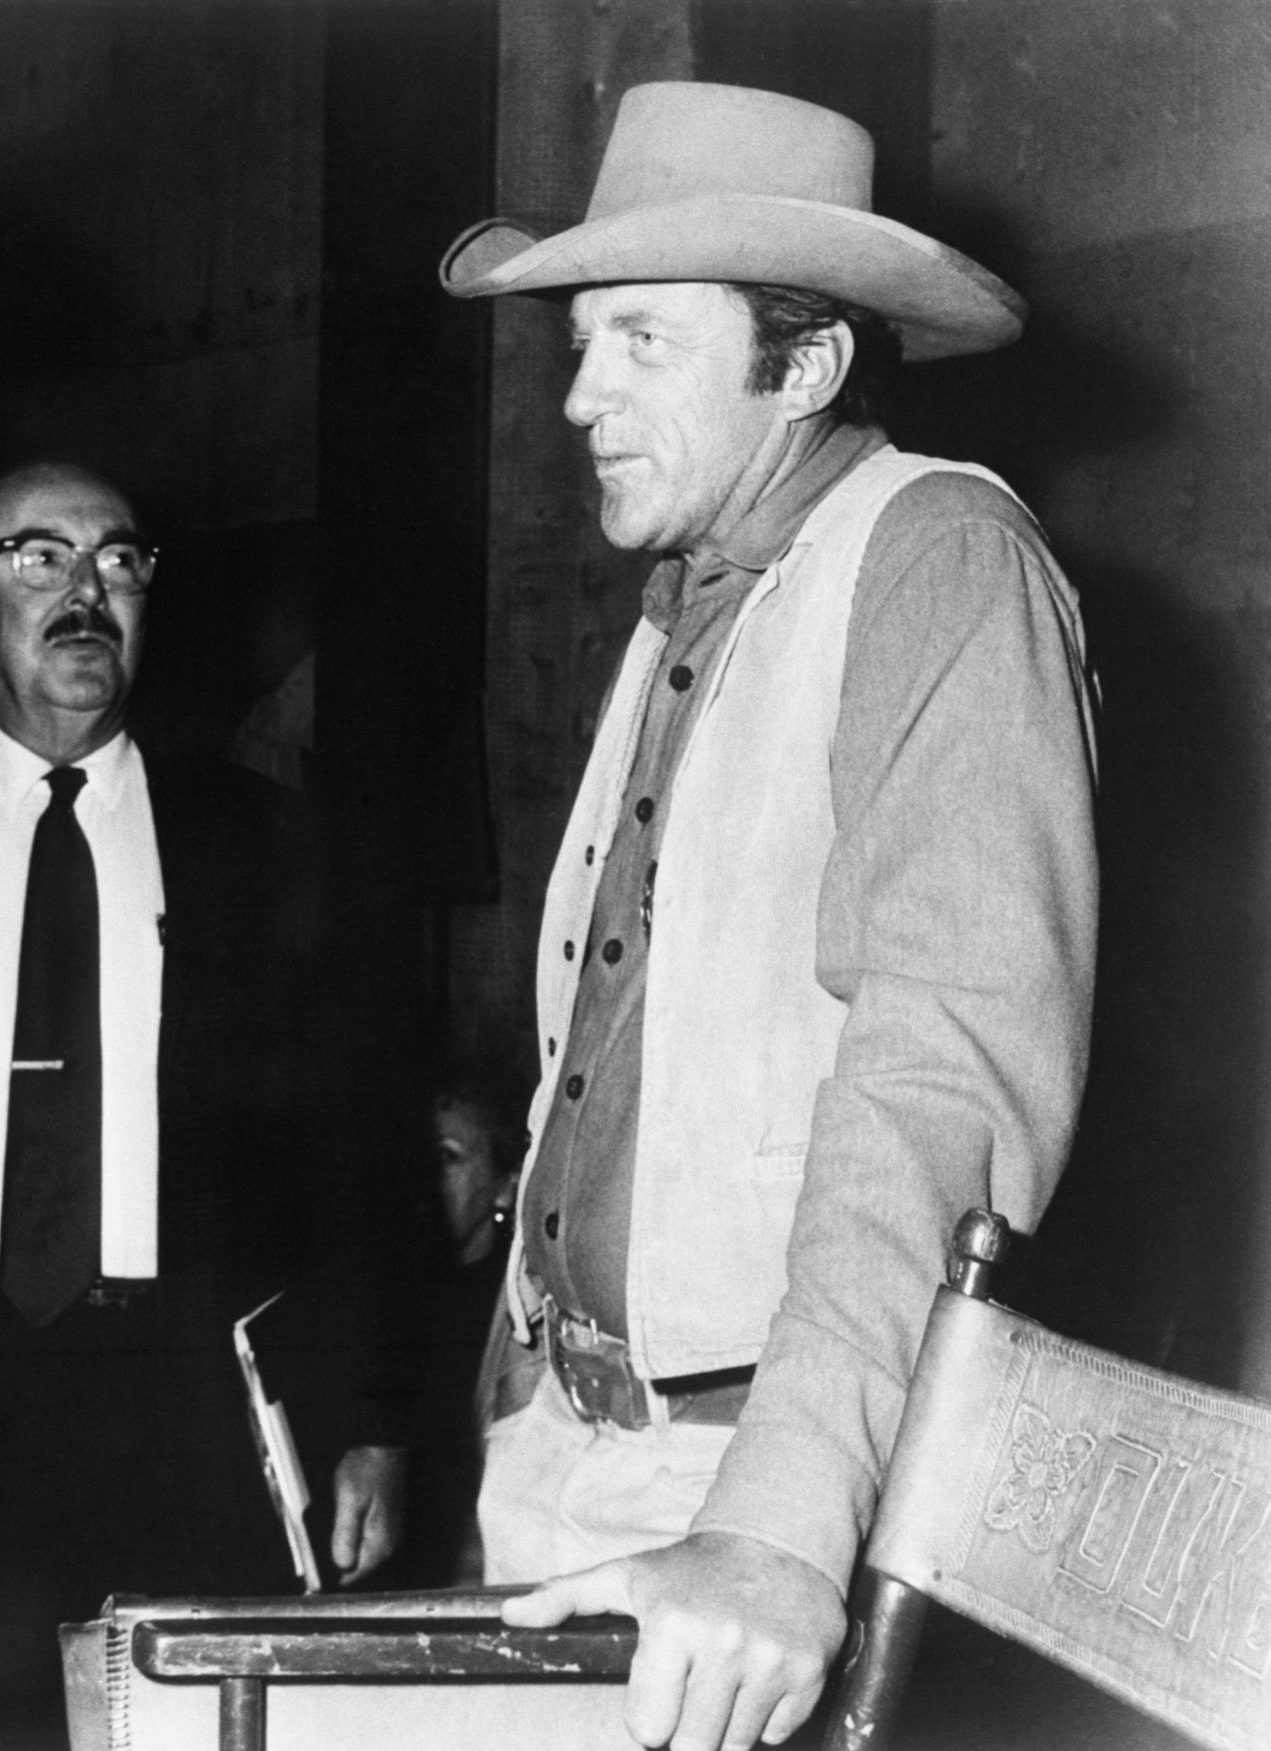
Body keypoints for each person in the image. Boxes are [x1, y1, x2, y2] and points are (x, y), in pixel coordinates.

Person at [438, 82, 1098, 1751]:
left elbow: (942, 1077)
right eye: (582, 339)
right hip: (577, 1467)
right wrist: (516, 1411)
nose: (578, 393)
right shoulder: (698, 601)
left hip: (752, 1494)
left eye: (641, 339)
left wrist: (782, 1529)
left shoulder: (940, 558)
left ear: (803, 365)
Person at [0, 461, 408, 1732]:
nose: (85, 592)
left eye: (118, 562)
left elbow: (361, 1145)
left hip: (191, 1400)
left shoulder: (268, 844)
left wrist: (377, 1416)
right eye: (39, 559)